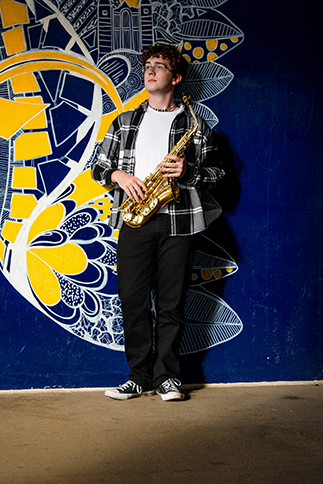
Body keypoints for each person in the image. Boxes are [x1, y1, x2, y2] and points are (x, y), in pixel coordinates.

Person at [92, 44, 225, 401]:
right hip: (135, 220)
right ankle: (138, 377)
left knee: (171, 303)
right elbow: (98, 168)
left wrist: (189, 171)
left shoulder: (195, 124)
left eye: (160, 66)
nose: (150, 71)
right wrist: (119, 175)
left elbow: (218, 174)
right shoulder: (125, 121)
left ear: (176, 78)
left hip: (179, 222)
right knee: (132, 301)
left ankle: (167, 377)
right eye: (147, 66)